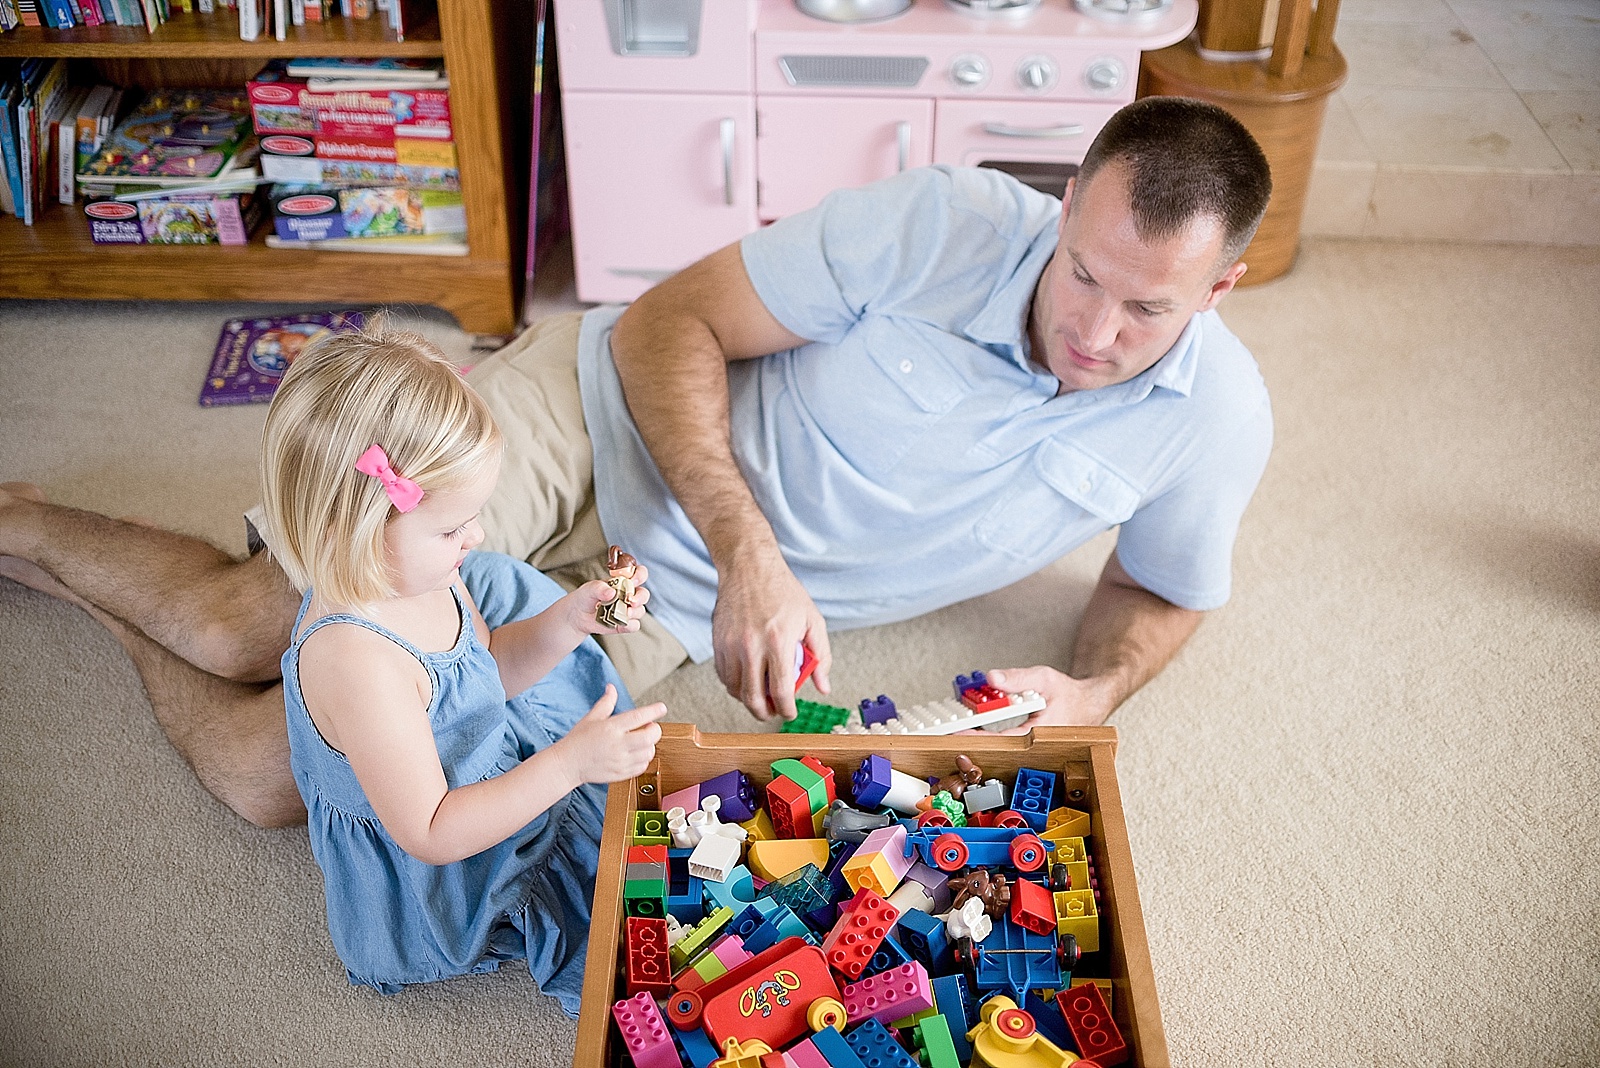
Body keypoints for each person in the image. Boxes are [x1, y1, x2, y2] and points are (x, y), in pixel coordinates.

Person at [0, 95, 1272, 826]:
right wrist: (752, 553)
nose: (1092, 331)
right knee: (238, 624)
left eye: (1147, 310)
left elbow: (1161, 592)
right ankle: (27, 523)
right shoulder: (942, 220)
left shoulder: (1215, 423)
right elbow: (672, 321)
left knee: (271, 780)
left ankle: (81, 605)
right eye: (1082, 274)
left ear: (1221, 287)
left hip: (656, 601)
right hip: (590, 416)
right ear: (1064, 215)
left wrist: (1094, 694)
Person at [264, 324, 665, 1012]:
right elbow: (433, 831)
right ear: (353, 531)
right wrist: (568, 764)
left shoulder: (430, 575)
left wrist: (570, 621)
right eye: (451, 529)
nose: (475, 538)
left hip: (474, 765)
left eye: (473, 518)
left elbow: (487, 673)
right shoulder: (357, 663)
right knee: (613, 935)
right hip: (442, 861)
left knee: (630, 839)